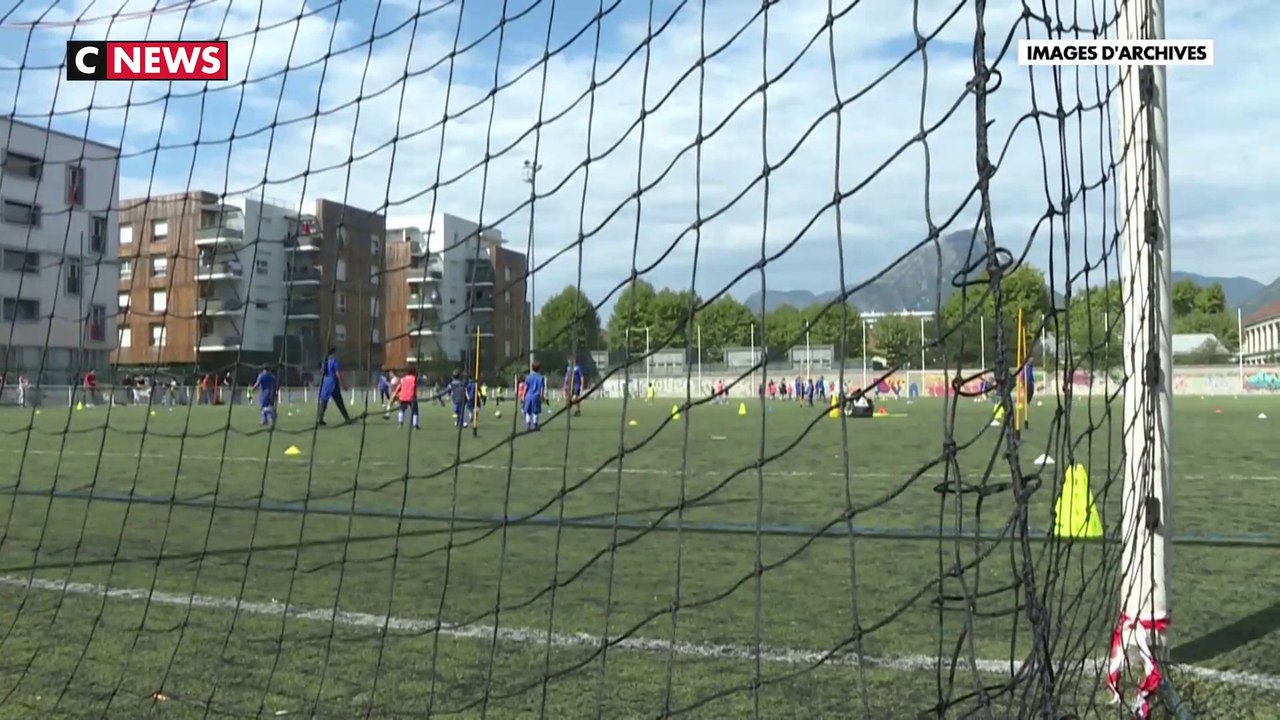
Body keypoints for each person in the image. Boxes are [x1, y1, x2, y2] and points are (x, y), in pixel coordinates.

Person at [317, 347, 352, 425]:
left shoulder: (325, 360)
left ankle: (320, 419)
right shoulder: (334, 360)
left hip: (326, 383)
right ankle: (347, 419)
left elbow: (322, 371)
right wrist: (343, 384)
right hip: (333, 383)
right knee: (339, 402)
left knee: (324, 401)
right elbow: (337, 373)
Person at [523, 361, 545, 432]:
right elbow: (542, 388)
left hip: (528, 396)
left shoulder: (528, 377)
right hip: (536, 396)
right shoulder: (541, 377)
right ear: (539, 369)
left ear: (532, 368)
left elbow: (526, 387)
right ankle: (535, 425)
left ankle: (528, 426)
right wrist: (542, 396)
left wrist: (523, 396)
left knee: (528, 411)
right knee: (535, 411)